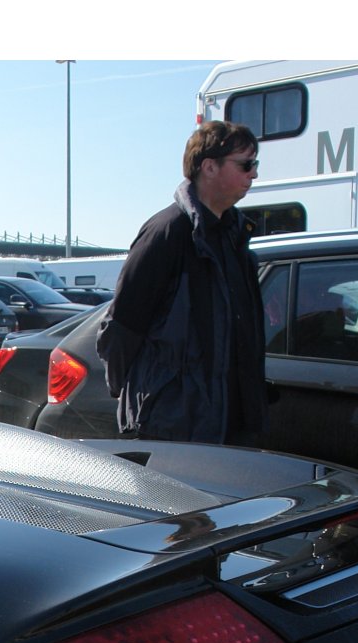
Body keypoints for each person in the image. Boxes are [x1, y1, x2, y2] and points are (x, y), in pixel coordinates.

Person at [99, 121, 267, 445]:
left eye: (254, 165)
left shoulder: (236, 238)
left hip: (232, 427)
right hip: (174, 429)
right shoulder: (167, 233)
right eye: (246, 164)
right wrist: (145, 398)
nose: (254, 174)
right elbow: (120, 329)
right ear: (209, 167)